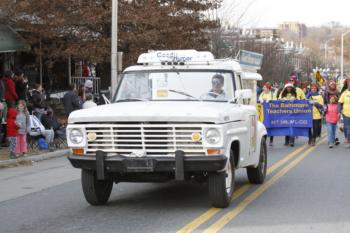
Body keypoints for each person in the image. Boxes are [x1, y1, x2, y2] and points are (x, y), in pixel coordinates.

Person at [279, 82, 298, 147]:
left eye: (290, 87)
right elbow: (278, 100)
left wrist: (295, 99)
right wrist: (282, 100)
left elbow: (299, 101)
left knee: (292, 126)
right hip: (285, 113)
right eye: (287, 87)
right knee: (286, 126)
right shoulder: (282, 93)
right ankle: (286, 141)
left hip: (293, 113)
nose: (289, 88)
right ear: (286, 88)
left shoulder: (295, 93)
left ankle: (292, 141)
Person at [339, 77, 350, 148]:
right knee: (348, 128)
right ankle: (348, 140)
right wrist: (339, 111)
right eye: (349, 84)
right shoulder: (344, 93)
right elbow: (340, 102)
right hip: (346, 114)